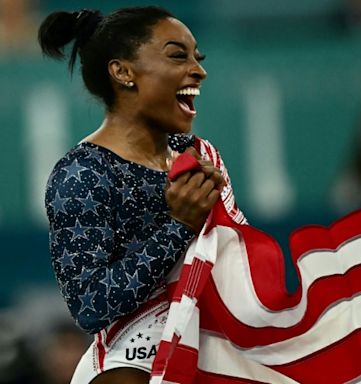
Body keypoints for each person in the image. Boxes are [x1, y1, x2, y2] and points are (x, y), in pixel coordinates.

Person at [39, 6, 245, 383]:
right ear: (122, 72)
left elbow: (240, 266)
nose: (198, 70)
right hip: (131, 366)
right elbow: (90, 305)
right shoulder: (83, 174)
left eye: (197, 57)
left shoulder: (199, 155)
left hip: (212, 354)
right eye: (177, 55)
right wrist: (179, 224)